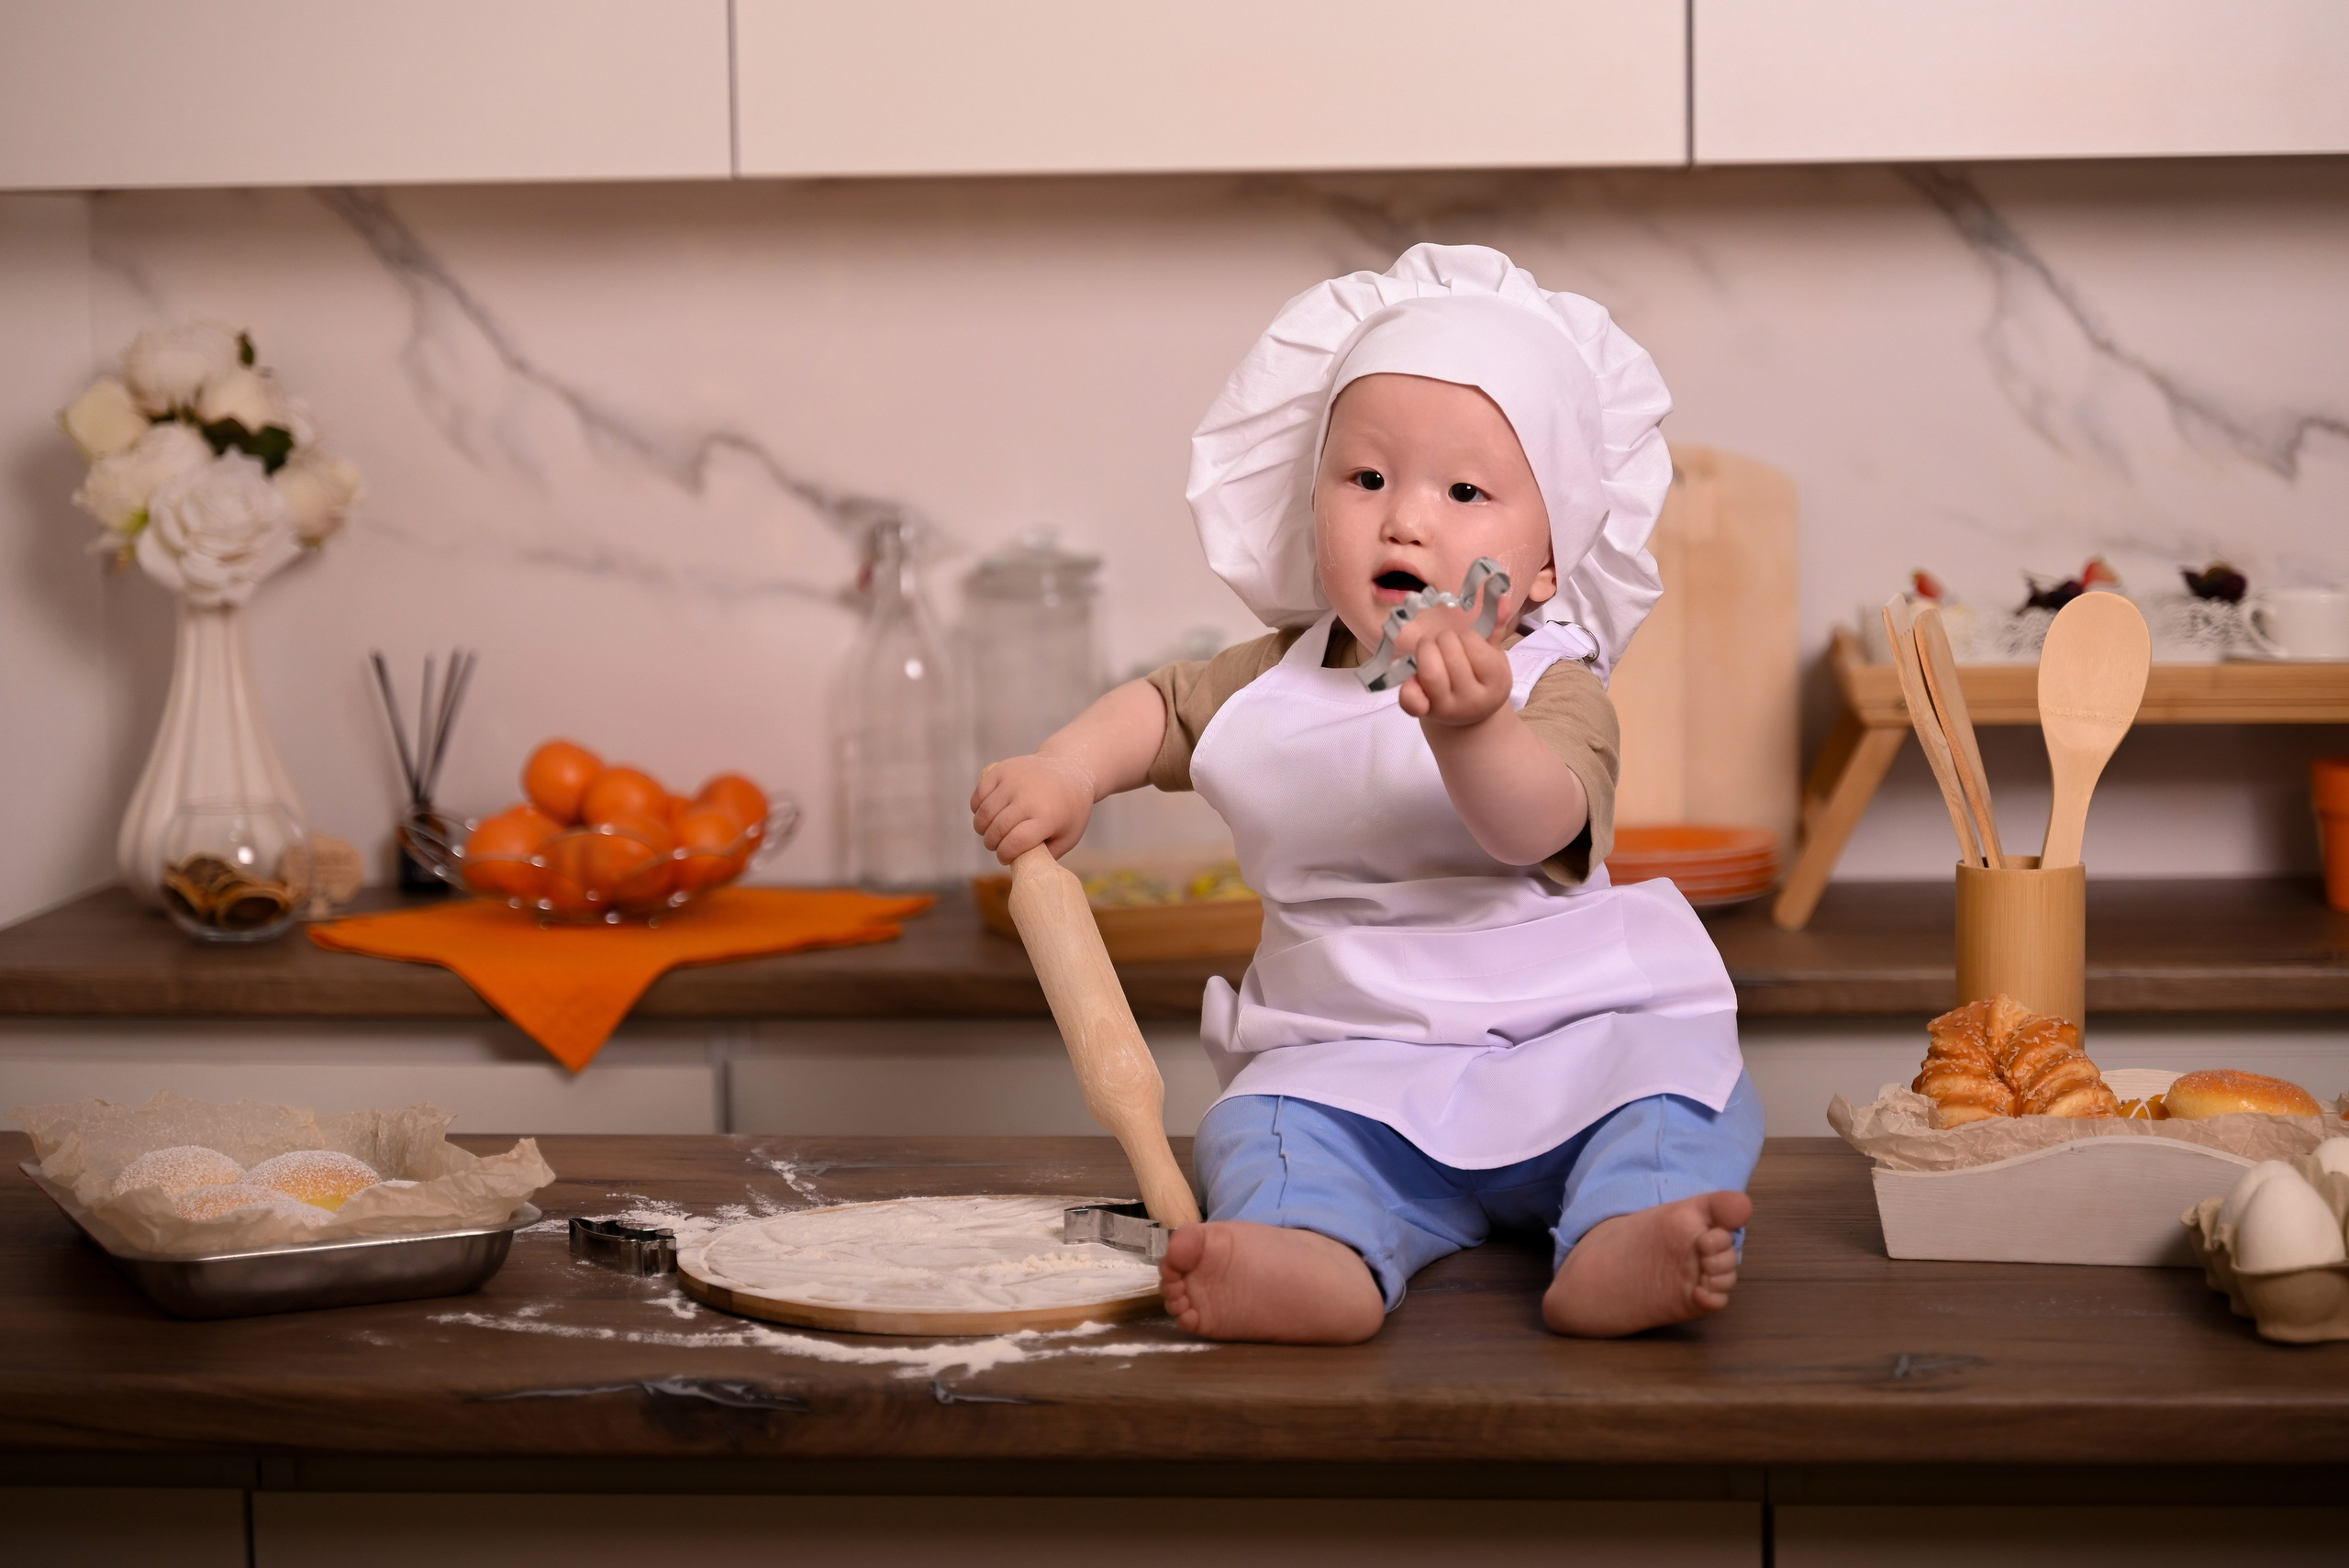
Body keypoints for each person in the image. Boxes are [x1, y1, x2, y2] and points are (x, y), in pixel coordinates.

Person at [971, 244, 1762, 1343]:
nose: (1405, 519)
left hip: (1572, 1042)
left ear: (1545, 562)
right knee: (1265, 1131)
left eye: (1465, 490)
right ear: (1314, 506)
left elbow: (1538, 823)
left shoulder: (1551, 683)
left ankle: (1628, 1232)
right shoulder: (1271, 676)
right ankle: (1311, 1252)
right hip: (1348, 1060)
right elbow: (1159, 708)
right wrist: (1066, 766)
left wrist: (1473, 725)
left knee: (1680, 1105)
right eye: (1368, 477)